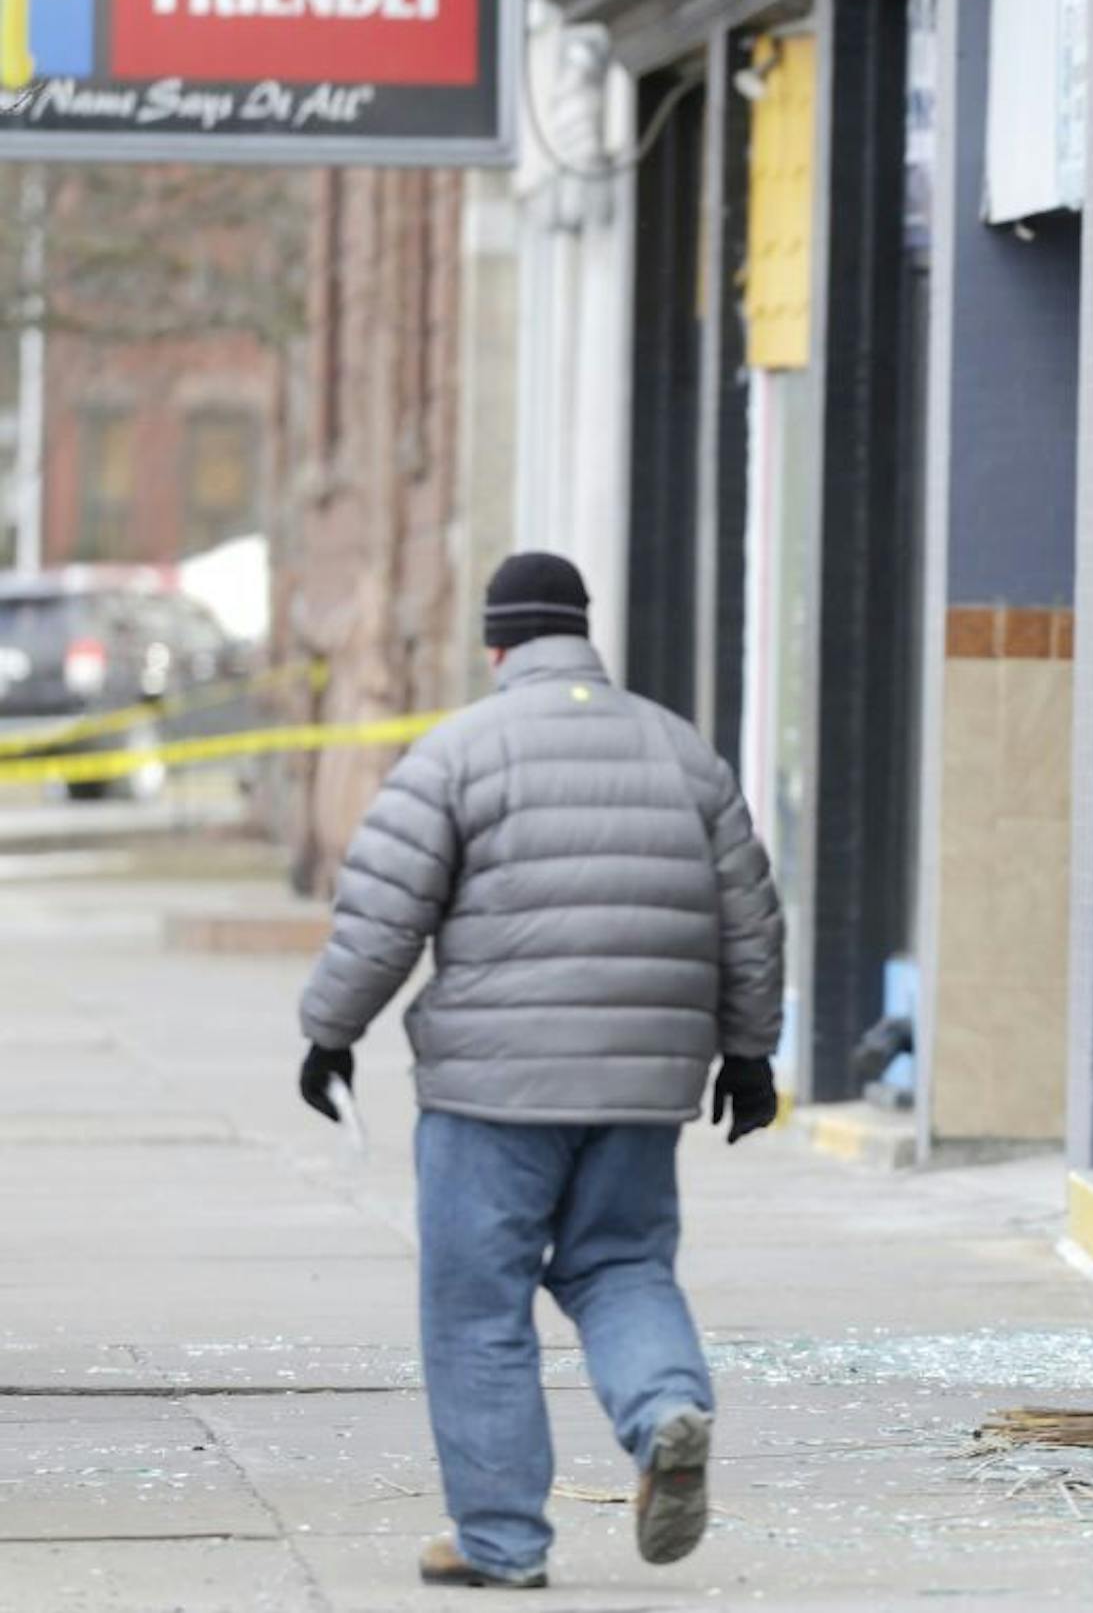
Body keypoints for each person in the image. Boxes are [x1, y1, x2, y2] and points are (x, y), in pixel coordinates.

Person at [295, 552, 784, 1591]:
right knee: (622, 1265)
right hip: (644, 1084)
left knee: (478, 1304)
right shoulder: (680, 751)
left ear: (495, 642)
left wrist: (330, 1031)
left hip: (491, 1091)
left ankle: (502, 1540)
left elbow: (382, 915)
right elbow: (750, 916)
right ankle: (664, 1413)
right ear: (583, 631)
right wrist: (749, 1053)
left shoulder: (456, 751)